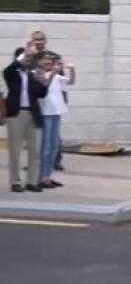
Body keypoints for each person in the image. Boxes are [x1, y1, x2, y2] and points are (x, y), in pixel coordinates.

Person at [3, 49, 49, 192]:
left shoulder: (32, 75)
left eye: (29, 59)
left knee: (35, 151)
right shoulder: (11, 74)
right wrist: (21, 59)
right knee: (15, 151)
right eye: (26, 58)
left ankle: (31, 181)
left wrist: (44, 82)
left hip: (33, 114)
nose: (28, 61)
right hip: (16, 115)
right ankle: (15, 182)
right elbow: (8, 69)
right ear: (18, 59)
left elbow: (42, 94)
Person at [37, 51, 74, 188]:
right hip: (45, 113)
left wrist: (71, 69)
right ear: (39, 61)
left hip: (56, 113)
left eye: (51, 61)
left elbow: (71, 81)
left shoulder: (56, 76)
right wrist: (53, 72)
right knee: (45, 147)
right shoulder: (37, 73)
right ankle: (40, 177)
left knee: (54, 147)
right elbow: (44, 85)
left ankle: (48, 176)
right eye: (46, 60)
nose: (49, 62)